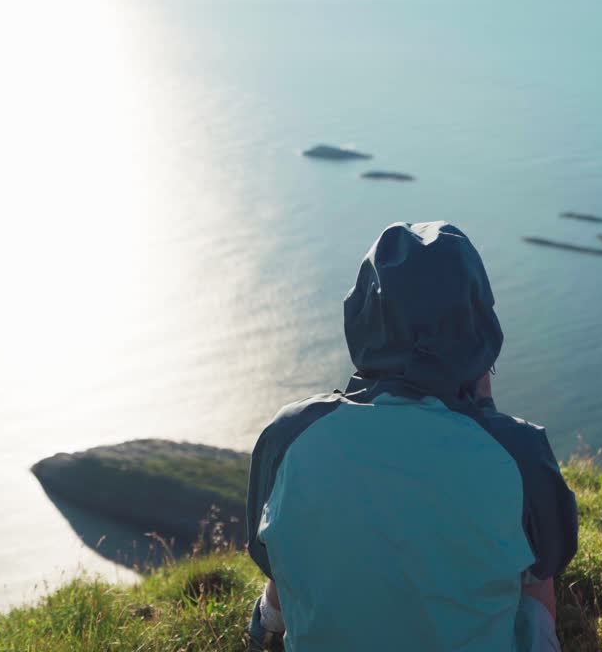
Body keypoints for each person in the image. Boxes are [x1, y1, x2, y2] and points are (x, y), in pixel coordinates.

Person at [245, 221, 579, 652]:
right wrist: (482, 405)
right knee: (534, 585)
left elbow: (269, 555)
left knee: (298, 550)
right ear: (477, 322)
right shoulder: (516, 451)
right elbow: (552, 555)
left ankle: (264, 627)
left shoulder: (288, 432)